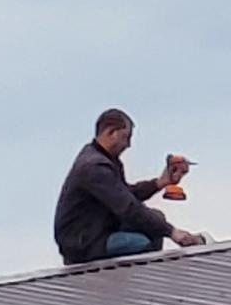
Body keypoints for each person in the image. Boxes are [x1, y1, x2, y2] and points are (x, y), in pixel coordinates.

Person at [54, 108, 204, 265]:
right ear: (112, 132)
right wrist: (172, 232)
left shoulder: (105, 160)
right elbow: (128, 208)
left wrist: (160, 182)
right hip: (84, 243)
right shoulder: (94, 167)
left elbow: (125, 194)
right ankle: (138, 277)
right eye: (126, 137)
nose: (128, 145)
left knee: (156, 220)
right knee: (140, 243)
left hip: (98, 229)